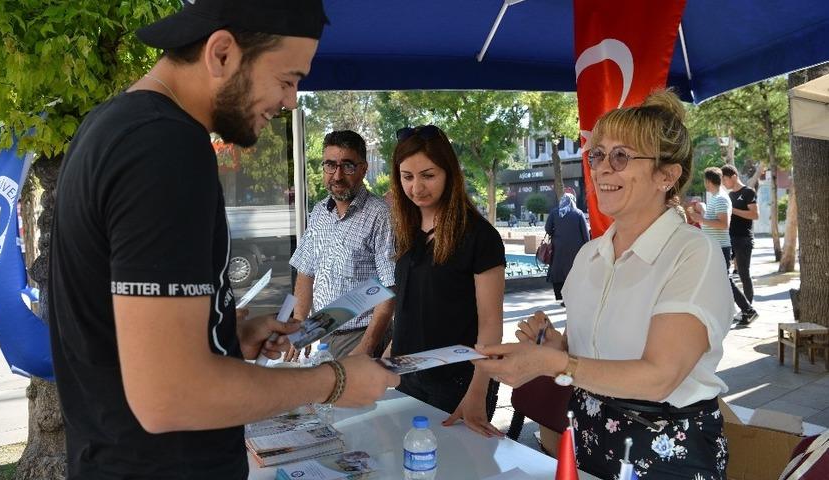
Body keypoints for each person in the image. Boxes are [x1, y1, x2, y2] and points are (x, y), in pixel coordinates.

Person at [47, 3, 399, 479]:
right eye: (288, 78)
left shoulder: (114, 126)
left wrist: (224, 338)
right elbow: (169, 394)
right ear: (222, 53)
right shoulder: (164, 147)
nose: (291, 101)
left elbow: (118, 337)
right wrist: (331, 381)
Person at [475, 91, 734, 479]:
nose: (601, 170)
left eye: (621, 156)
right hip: (587, 432)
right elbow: (590, 353)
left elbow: (661, 376)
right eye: (597, 155)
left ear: (667, 175)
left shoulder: (693, 254)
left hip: (666, 448)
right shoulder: (589, 255)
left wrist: (557, 363)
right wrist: (556, 346)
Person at [386, 124, 505, 438]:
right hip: (405, 376)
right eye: (407, 177)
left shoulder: (480, 237)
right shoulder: (406, 231)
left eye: (428, 175)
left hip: (458, 383)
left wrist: (478, 391)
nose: (417, 188)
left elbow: (491, 324)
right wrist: (383, 365)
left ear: (449, 173)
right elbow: (408, 309)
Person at [287, 130, 396, 360]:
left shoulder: (380, 215)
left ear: (363, 169)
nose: (337, 176)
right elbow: (305, 272)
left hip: (362, 337)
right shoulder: (319, 213)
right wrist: (301, 327)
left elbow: (389, 289)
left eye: (347, 166)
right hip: (325, 335)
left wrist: (366, 347)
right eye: (330, 165)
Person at [689, 167, 759, 325]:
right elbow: (716, 218)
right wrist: (703, 210)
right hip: (716, 246)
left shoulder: (720, 198)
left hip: (721, 247)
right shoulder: (715, 198)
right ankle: (733, 311)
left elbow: (723, 224)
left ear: (708, 181)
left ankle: (748, 310)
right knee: (720, 281)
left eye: (705, 181)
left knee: (725, 280)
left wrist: (700, 219)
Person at [721, 164, 759, 321]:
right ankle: (739, 308)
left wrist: (733, 210)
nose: (724, 183)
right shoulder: (729, 196)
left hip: (744, 239)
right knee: (727, 275)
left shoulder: (748, 192)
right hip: (730, 239)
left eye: (725, 179)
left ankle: (748, 310)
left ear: (734, 176)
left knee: (744, 274)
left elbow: (754, 215)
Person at [544, 192, 589, 305]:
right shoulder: (578, 213)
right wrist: (587, 247)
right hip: (576, 250)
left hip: (558, 249)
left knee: (560, 273)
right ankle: (575, 298)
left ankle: (563, 298)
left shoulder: (555, 213)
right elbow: (585, 233)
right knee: (574, 272)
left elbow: (548, 229)